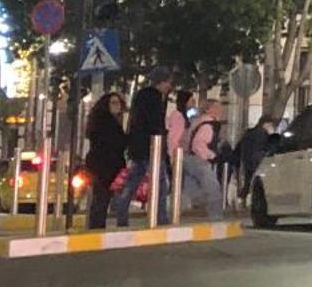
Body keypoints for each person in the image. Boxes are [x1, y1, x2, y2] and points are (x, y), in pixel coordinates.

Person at [113, 69, 174, 226]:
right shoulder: (154, 98)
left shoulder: (141, 96)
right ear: (162, 82)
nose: (170, 86)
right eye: (168, 82)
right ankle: (161, 219)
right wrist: (161, 141)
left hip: (138, 147)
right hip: (151, 147)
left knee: (132, 182)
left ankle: (121, 215)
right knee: (161, 184)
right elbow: (154, 123)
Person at [82, 91, 127, 230]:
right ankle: (97, 226)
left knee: (100, 198)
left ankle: (96, 225)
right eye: (113, 103)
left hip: (99, 165)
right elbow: (116, 143)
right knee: (102, 198)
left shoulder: (100, 121)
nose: (117, 106)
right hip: (105, 166)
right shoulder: (108, 123)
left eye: (119, 103)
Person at [180, 99, 225, 218]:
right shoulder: (209, 125)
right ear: (209, 109)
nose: (220, 110)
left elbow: (185, 140)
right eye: (217, 107)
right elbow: (198, 144)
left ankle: (178, 211)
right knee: (213, 189)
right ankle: (215, 216)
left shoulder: (197, 122)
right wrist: (212, 155)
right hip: (199, 160)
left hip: (187, 158)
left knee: (190, 189)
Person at [236, 114, 278, 199]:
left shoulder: (249, 133)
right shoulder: (262, 134)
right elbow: (270, 148)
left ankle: (241, 199)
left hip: (247, 162)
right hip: (258, 163)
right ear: (266, 124)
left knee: (248, 183)